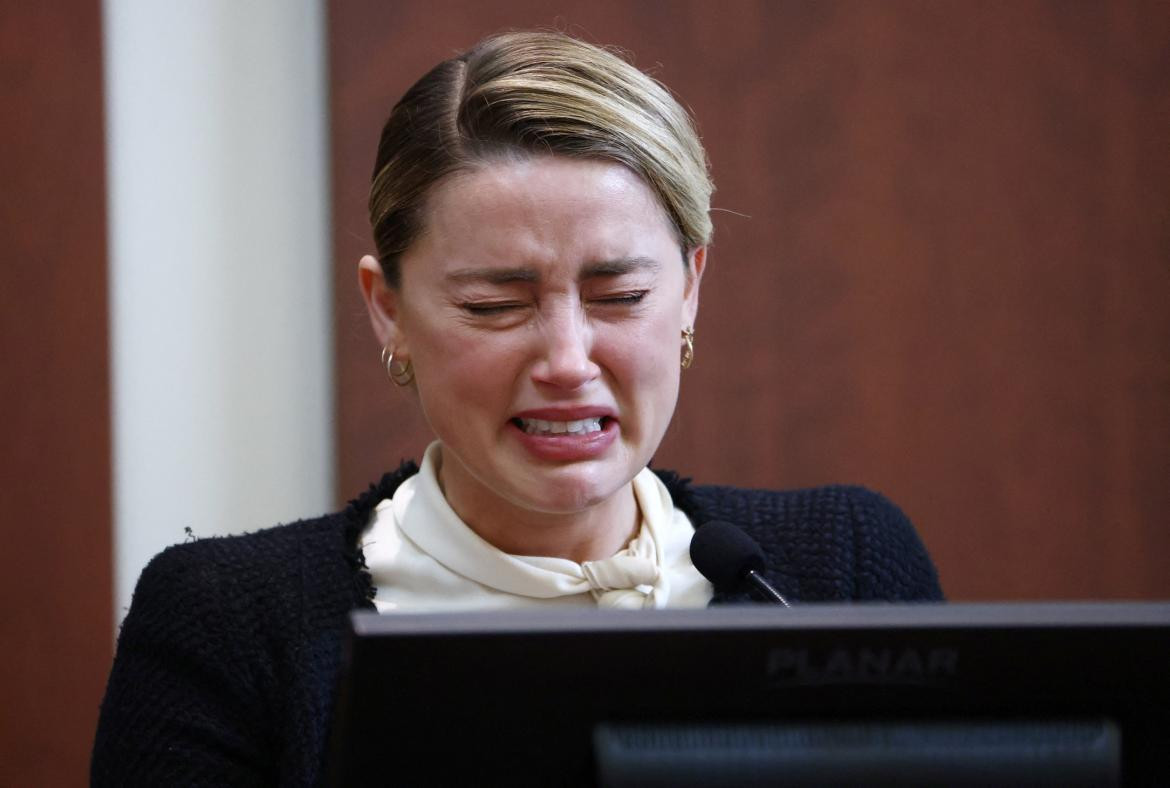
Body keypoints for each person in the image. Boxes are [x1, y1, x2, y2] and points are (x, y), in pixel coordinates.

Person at [92, 30, 942, 786]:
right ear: (387, 308)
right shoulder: (228, 624)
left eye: (620, 295)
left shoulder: (844, 571)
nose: (568, 362)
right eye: (495, 306)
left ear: (690, 289)